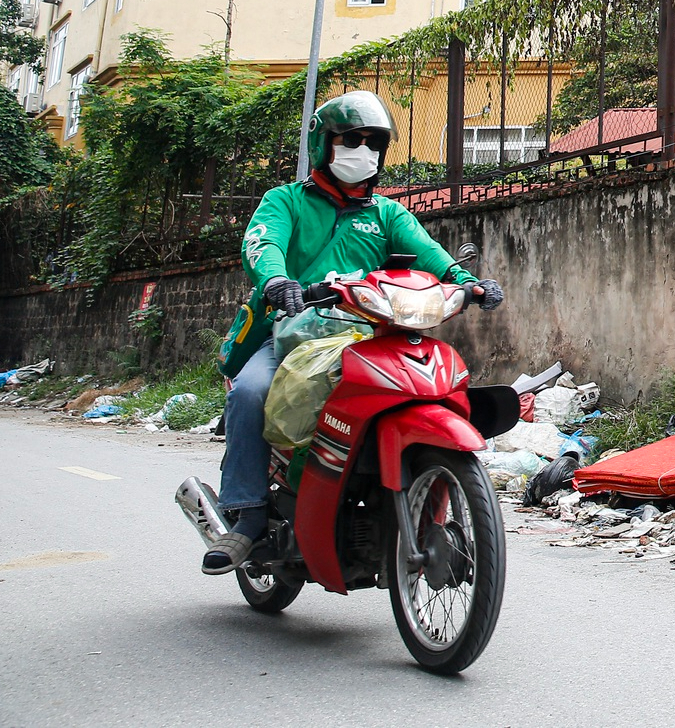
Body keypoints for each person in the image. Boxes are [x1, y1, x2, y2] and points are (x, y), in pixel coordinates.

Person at [203, 90, 504, 575]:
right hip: (290, 335)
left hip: (367, 337)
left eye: (372, 143)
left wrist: (466, 284)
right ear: (325, 143)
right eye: (351, 139)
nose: (362, 151)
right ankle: (248, 514)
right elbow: (262, 244)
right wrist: (278, 281)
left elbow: (427, 252)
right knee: (252, 393)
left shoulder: (386, 214)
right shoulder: (285, 201)